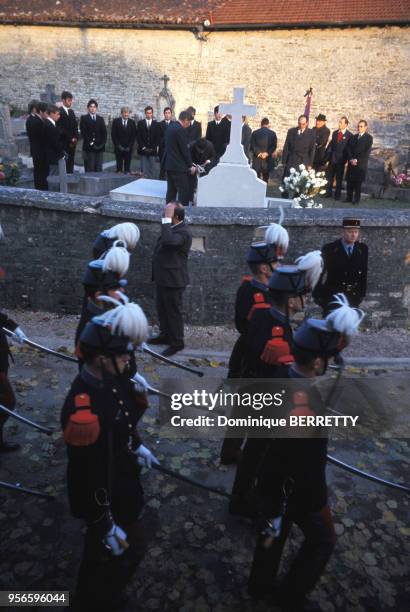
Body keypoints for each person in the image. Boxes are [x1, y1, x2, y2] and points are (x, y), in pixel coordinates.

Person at [248, 297, 364, 610]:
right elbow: (308, 461)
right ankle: (290, 596)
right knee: (323, 541)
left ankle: (259, 587)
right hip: (301, 490)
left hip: (269, 480)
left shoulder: (280, 378)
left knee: (271, 535)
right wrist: (317, 500)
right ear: (316, 363)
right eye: (324, 359)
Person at [61, 303, 159, 611]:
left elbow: (121, 423)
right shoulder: (83, 408)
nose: (129, 359)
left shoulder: (110, 381)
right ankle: (97, 600)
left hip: (121, 479)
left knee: (98, 553)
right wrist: (103, 521)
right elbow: (86, 471)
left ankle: (91, 598)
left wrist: (135, 444)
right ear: (102, 359)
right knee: (130, 548)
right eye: (122, 354)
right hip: (107, 496)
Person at [230, 253, 323, 517]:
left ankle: (240, 498)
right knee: (258, 455)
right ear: (292, 300)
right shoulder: (279, 332)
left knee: (252, 453)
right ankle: (244, 502)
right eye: (301, 296)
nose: (304, 300)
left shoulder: (265, 316)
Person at [220, 223, 289, 465]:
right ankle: (234, 451)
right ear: (263, 267)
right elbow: (242, 324)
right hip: (251, 355)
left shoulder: (274, 290)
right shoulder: (248, 290)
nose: (278, 266)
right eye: (275, 263)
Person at [150, 202, 192, 356]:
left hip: (174, 280)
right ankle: (165, 336)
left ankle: (177, 342)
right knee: (162, 309)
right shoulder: (173, 228)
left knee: (173, 312)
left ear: (175, 217)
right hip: (163, 278)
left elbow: (168, 241)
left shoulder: (183, 232)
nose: (163, 215)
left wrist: (166, 219)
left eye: (167, 213)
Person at [313, 217, 368, 313]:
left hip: (353, 297)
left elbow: (364, 273)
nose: (353, 235)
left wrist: (361, 295)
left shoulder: (362, 249)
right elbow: (320, 272)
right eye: (350, 232)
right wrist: (318, 296)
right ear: (342, 232)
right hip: (333, 295)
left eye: (356, 232)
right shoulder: (330, 248)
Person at [164, 110, 196, 206]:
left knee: (171, 192)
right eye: (189, 122)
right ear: (185, 120)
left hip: (170, 165)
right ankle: (181, 216)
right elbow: (184, 150)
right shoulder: (180, 130)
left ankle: (168, 215)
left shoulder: (171, 127)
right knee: (183, 193)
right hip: (179, 168)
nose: (189, 124)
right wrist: (190, 165)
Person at [345, 120, 373, 204]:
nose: (359, 128)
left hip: (360, 164)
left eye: (361, 126)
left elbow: (366, 151)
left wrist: (357, 160)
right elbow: (348, 148)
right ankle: (348, 198)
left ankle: (356, 199)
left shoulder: (369, 138)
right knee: (349, 181)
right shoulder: (353, 137)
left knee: (358, 183)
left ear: (365, 127)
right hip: (351, 162)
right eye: (358, 126)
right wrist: (351, 159)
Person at [325, 116, 352, 200]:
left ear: (346, 124)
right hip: (332, 159)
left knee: (339, 178)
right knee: (329, 177)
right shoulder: (335, 133)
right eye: (339, 122)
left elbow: (348, 149)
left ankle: (337, 195)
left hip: (341, 160)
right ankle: (328, 193)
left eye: (341, 122)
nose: (339, 124)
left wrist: (347, 160)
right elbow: (332, 146)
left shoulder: (349, 135)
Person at [282, 115, 315, 180]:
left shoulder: (311, 133)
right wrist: (284, 161)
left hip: (303, 160)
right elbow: (286, 146)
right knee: (288, 180)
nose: (301, 126)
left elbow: (312, 150)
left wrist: (310, 164)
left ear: (307, 123)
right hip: (292, 160)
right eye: (299, 124)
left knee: (300, 182)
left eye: (303, 124)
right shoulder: (291, 131)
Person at [25, 99, 48, 190]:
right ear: (34, 109)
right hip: (40, 150)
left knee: (38, 170)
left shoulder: (30, 119)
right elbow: (42, 137)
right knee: (41, 171)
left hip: (35, 149)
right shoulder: (37, 121)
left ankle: (39, 187)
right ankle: (41, 188)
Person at [80, 99, 107, 173]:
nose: (92, 108)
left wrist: (102, 144)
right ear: (88, 108)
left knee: (98, 167)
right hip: (89, 147)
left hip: (100, 147)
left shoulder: (100, 119)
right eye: (91, 107)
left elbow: (104, 133)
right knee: (90, 168)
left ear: (96, 108)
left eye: (94, 107)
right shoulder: (84, 118)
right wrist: (91, 143)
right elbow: (84, 133)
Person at [188, 137, 216, 202]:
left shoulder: (210, 146)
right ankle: (190, 199)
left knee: (202, 184)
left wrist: (209, 161)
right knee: (191, 184)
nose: (200, 152)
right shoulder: (191, 146)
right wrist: (191, 166)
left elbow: (213, 157)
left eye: (202, 150)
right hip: (193, 167)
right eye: (199, 150)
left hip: (204, 167)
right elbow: (187, 158)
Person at [250, 118, 278, 183]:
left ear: (261, 124)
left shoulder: (255, 133)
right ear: (268, 124)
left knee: (256, 178)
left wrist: (259, 153)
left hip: (257, 158)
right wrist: (267, 153)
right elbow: (274, 146)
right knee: (265, 178)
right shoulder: (273, 133)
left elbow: (252, 145)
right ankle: (264, 191)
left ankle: (256, 192)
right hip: (267, 159)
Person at [111, 107, 137, 174]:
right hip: (119, 148)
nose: (126, 114)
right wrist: (118, 146)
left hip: (128, 148)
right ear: (121, 113)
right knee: (119, 168)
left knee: (127, 169)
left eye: (127, 113)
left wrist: (129, 146)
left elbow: (133, 136)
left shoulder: (132, 122)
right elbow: (114, 135)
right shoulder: (116, 121)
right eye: (124, 112)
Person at [136, 106, 160, 179]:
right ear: (145, 113)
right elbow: (138, 137)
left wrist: (152, 148)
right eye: (147, 113)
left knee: (152, 170)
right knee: (143, 170)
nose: (149, 114)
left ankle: (151, 185)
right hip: (143, 150)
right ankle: (143, 185)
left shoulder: (156, 124)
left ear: (152, 113)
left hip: (152, 151)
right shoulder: (140, 123)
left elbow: (157, 137)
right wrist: (143, 147)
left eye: (150, 113)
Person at [58, 91, 78, 174]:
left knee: (71, 163)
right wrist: (70, 139)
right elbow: (61, 128)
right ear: (63, 100)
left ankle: (71, 177)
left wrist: (75, 138)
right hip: (64, 142)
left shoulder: (71, 112)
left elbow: (75, 126)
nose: (70, 102)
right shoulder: (59, 112)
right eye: (69, 100)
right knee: (64, 163)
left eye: (71, 100)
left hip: (72, 143)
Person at [44, 104, 65, 176]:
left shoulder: (51, 124)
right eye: (57, 114)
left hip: (54, 155)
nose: (59, 116)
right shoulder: (48, 125)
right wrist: (62, 154)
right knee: (54, 177)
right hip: (53, 156)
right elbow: (55, 142)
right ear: (52, 114)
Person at [158, 107, 175, 180]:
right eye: (166, 113)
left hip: (171, 149)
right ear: (164, 114)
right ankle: (161, 178)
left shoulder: (174, 124)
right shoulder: (160, 124)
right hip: (162, 148)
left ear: (171, 114)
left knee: (171, 166)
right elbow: (158, 136)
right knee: (162, 166)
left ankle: (170, 180)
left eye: (169, 113)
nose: (167, 115)